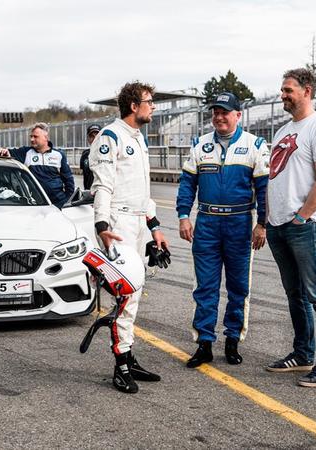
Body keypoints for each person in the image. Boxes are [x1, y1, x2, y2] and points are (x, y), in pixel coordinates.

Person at [176, 92, 269, 367]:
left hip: (240, 224)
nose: (219, 117)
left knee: (239, 287)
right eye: (215, 112)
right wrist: (184, 216)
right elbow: (186, 184)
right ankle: (204, 342)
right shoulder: (199, 145)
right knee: (205, 287)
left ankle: (232, 340)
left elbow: (264, 189)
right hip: (206, 223)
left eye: (225, 112)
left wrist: (261, 224)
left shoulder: (256, 145)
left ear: (238, 115)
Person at [89, 81, 169, 394]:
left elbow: (142, 192)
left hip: (136, 219)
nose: (153, 106)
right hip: (118, 222)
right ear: (133, 106)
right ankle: (121, 366)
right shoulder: (110, 137)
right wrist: (101, 225)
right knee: (125, 295)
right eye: (149, 101)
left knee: (135, 293)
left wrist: (155, 226)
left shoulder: (138, 138)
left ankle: (129, 355)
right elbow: (103, 187)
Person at [266, 68, 316, 387]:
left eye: (288, 90)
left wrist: (302, 217)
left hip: (305, 225)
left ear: (306, 91)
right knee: (294, 293)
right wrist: (271, 220)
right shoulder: (283, 130)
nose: (283, 94)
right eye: (282, 90)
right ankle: (302, 353)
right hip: (278, 226)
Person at [0, 122, 74, 208]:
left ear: (46, 137)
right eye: (31, 136)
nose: (32, 139)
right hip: (35, 204)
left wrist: (66, 201)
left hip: (58, 203)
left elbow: (69, 181)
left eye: (35, 136)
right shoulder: (26, 152)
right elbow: (8, 153)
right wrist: (3, 151)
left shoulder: (59, 155)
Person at [80, 124, 101, 189]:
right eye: (91, 136)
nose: (94, 138)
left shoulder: (109, 153)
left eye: (97, 135)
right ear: (88, 138)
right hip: (89, 192)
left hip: (104, 193)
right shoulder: (85, 154)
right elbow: (85, 176)